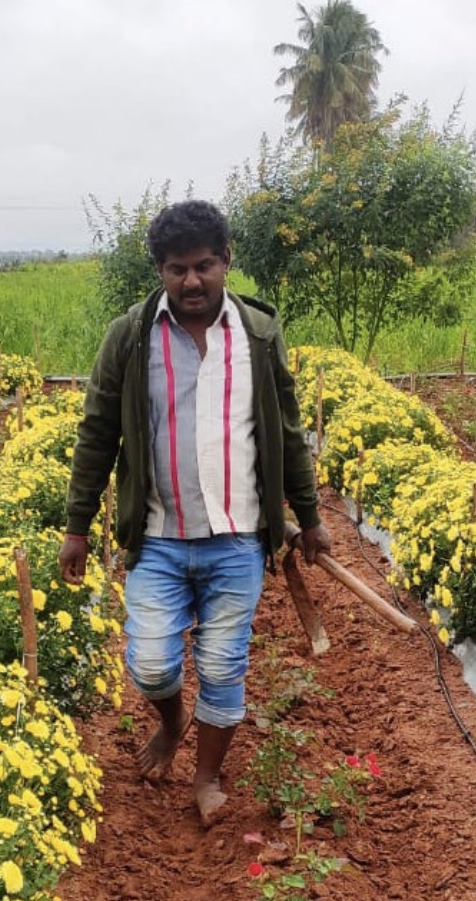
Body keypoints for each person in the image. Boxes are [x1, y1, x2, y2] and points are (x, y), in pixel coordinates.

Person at [58, 199, 330, 826]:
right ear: (159, 270)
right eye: (177, 269)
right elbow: (97, 432)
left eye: (204, 266)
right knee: (150, 662)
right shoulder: (130, 337)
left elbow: (286, 433)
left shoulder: (259, 335)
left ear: (226, 261)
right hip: (157, 536)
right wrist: (77, 527)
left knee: (222, 663)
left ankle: (207, 779)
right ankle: (172, 718)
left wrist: (309, 518)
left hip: (236, 539)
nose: (191, 282)